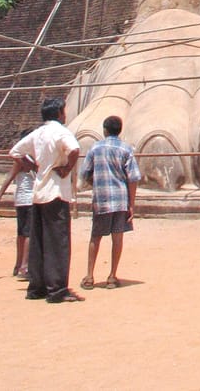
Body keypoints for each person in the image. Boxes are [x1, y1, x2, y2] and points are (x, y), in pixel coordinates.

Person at [9, 96, 83, 303]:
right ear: (59, 113)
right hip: (56, 192)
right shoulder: (61, 132)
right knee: (58, 242)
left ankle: (37, 287)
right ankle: (57, 290)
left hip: (39, 193)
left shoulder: (38, 133)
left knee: (39, 241)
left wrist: (33, 167)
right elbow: (75, 149)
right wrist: (67, 168)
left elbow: (15, 152)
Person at [80, 115, 141, 290]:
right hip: (121, 199)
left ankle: (89, 276)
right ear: (120, 130)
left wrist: (97, 183)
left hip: (102, 199)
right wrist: (131, 204)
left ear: (104, 130)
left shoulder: (95, 147)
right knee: (117, 238)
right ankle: (112, 276)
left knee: (95, 237)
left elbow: (84, 172)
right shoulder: (126, 149)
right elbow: (133, 178)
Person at [0, 128, 36, 278]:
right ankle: (24, 267)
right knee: (28, 233)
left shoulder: (24, 159)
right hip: (29, 199)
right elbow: (10, 177)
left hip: (21, 200)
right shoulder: (26, 159)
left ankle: (18, 265)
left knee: (22, 233)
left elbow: (9, 177)